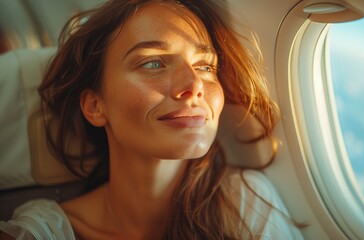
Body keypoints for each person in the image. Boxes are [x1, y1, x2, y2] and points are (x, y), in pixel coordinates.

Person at [0, 0, 305, 239]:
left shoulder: (245, 204)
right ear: (95, 106)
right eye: (154, 63)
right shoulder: (42, 230)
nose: (194, 85)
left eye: (205, 66)